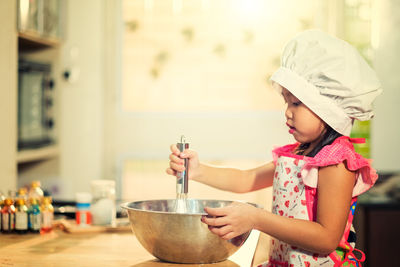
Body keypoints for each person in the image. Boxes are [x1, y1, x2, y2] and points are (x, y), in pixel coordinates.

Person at [166, 29, 382, 267]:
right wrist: (198, 171)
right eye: (287, 102)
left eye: (297, 103)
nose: (287, 112)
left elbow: (326, 238)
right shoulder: (299, 154)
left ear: (328, 108)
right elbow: (246, 179)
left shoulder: (337, 162)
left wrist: (256, 219)